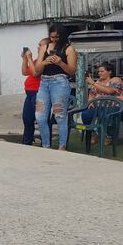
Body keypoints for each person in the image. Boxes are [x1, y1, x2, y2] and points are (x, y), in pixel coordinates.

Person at [33, 23, 78, 151]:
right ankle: (46, 145)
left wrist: (60, 63)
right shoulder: (44, 47)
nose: (54, 40)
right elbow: (37, 70)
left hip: (60, 81)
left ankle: (62, 146)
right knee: (40, 116)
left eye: (57, 37)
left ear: (62, 35)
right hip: (44, 82)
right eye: (52, 37)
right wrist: (44, 62)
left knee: (59, 115)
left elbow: (72, 71)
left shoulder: (69, 49)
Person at [81, 62, 123, 146]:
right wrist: (90, 102)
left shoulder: (115, 80)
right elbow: (92, 94)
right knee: (86, 114)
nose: (99, 73)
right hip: (100, 107)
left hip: (116, 107)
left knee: (107, 113)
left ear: (109, 72)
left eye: (102, 71)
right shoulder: (98, 82)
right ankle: (94, 134)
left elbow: (109, 91)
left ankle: (109, 136)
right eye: (99, 71)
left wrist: (93, 83)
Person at [21, 39, 47, 145]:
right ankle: (27, 141)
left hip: (38, 93)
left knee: (40, 119)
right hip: (30, 94)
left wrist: (30, 58)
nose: (38, 47)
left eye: (40, 45)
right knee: (27, 118)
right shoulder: (37, 60)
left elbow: (36, 73)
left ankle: (44, 141)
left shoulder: (44, 61)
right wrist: (25, 59)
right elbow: (24, 72)